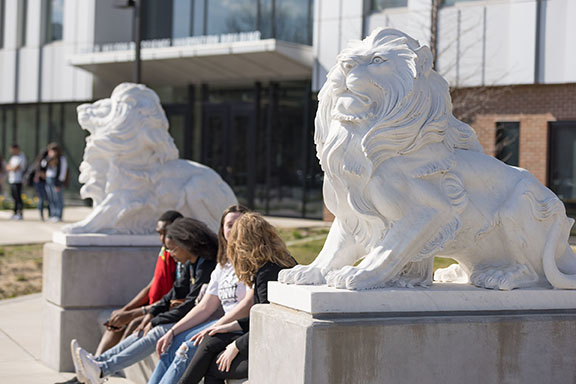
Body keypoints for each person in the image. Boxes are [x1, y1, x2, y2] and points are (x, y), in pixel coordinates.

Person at [72, 215, 228, 384]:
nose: (170, 254)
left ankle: (102, 368)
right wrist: (152, 312)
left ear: (188, 244)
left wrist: (156, 319)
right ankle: (99, 362)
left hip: (210, 321)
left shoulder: (208, 265)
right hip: (195, 319)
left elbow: (192, 305)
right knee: (151, 328)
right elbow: (175, 292)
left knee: (158, 331)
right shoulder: (190, 263)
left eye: (173, 249)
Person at [63, 211, 183, 384]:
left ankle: (98, 371)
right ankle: (93, 367)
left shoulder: (179, 255)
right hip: (154, 307)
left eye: (166, 232)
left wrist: (135, 313)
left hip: (162, 310)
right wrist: (126, 309)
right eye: (159, 233)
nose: (163, 237)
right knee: (115, 320)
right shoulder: (166, 250)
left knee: (134, 323)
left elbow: (175, 299)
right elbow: (151, 286)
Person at [178, 212, 297, 384]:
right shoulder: (275, 264)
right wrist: (229, 326)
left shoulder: (268, 273)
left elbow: (269, 325)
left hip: (274, 348)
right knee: (212, 338)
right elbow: (262, 316)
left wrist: (236, 346)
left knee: (213, 366)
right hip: (265, 339)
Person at [147, 205, 253, 384]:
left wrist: (214, 327)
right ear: (222, 230)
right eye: (229, 225)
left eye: (239, 224)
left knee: (187, 348)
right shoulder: (223, 265)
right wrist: (173, 331)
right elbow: (205, 306)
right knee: (170, 344)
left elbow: (248, 305)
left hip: (239, 326)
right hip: (221, 323)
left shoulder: (253, 260)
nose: (233, 229)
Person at [44, 142, 67, 222]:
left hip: (56, 180)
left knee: (58, 198)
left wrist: (59, 183)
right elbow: (43, 165)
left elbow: (63, 171)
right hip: (48, 178)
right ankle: (53, 214)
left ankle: (58, 215)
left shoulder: (61, 159)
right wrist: (49, 157)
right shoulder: (48, 158)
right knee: (51, 198)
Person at [5, 144, 27, 220]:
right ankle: (15, 212)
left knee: (18, 197)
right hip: (12, 179)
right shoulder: (13, 157)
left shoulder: (21, 156)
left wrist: (11, 168)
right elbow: (8, 167)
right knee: (14, 197)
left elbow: (16, 168)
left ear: (16, 149)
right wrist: (11, 168)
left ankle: (20, 213)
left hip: (18, 180)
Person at [33, 150, 50, 221]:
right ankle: (43, 215)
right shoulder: (43, 162)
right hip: (41, 182)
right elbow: (41, 173)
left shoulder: (38, 162)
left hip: (39, 182)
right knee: (43, 199)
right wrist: (48, 178)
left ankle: (43, 215)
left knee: (43, 199)